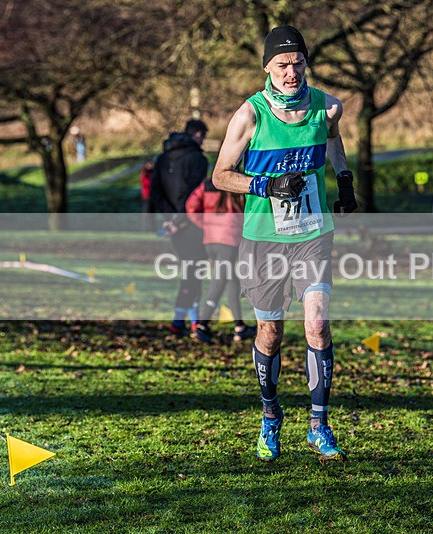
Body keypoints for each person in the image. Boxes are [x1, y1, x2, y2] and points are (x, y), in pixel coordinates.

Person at [212, 25, 358, 462]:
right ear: (267, 68)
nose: (291, 72)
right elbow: (220, 175)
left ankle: (319, 424)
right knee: (270, 333)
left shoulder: (328, 107)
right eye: (282, 65)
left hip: (313, 233)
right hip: (263, 241)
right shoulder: (250, 115)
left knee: (316, 323)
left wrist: (344, 179)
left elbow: (333, 142)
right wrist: (267, 185)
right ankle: (271, 416)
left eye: (298, 63)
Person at [150, 118, 210, 336]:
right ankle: (185, 322)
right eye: (202, 135)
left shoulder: (162, 158)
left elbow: (156, 192)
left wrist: (169, 218)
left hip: (172, 223)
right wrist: (181, 218)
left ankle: (185, 321)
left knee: (190, 269)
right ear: (197, 134)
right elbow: (194, 193)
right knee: (194, 270)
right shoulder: (198, 159)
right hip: (191, 223)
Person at [186, 178, 257, 344]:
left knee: (232, 281)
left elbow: (191, 207)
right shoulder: (239, 181)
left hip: (211, 240)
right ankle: (202, 325)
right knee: (220, 281)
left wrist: (205, 224)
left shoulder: (207, 184)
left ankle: (240, 327)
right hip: (230, 240)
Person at [139, 158, 156, 232]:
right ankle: (145, 229)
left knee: (152, 214)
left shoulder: (153, 172)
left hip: (153, 196)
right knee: (146, 213)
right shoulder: (145, 173)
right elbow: (146, 183)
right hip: (147, 196)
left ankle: (152, 228)